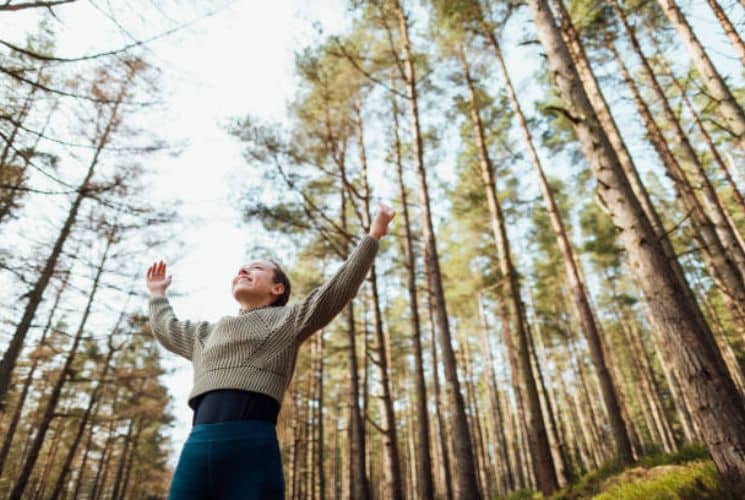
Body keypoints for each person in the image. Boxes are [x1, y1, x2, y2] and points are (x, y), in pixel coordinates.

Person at [145, 202, 395, 500]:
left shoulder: (288, 320)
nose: (243, 270)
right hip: (197, 446)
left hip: (252, 445)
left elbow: (336, 289)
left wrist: (373, 236)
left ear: (277, 289)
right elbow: (166, 328)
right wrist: (158, 294)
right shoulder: (205, 335)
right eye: (242, 268)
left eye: (256, 268)